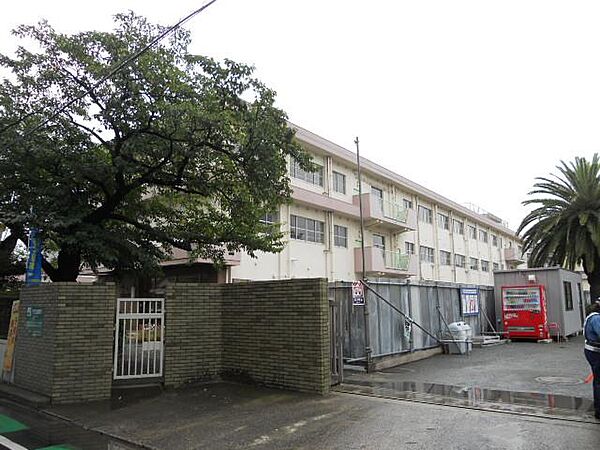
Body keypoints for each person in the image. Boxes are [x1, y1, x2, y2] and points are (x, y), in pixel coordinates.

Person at [584, 299, 600, 420]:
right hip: (596, 352)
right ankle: (598, 410)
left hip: (592, 351)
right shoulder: (596, 319)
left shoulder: (594, 316)